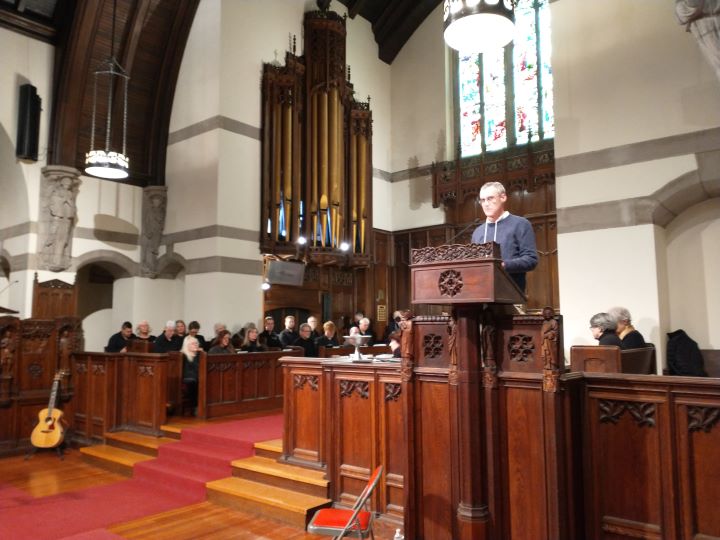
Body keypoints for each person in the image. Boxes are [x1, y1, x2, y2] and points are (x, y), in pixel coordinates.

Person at [470, 181, 538, 293]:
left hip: (511, 294)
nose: (486, 204)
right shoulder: (478, 232)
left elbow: (531, 259)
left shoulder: (520, 224)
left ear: (503, 197)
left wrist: (502, 265)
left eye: (490, 198)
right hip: (482, 294)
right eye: (483, 200)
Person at [180, 336, 201, 415]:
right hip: (187, 378)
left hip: (198, 377)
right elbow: (186, 372)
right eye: (193, 343)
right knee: (192, 382)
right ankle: (195, 407)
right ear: (187, 345)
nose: (196, 345)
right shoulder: (183, 356)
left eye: (196, 343)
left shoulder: (200, 355)